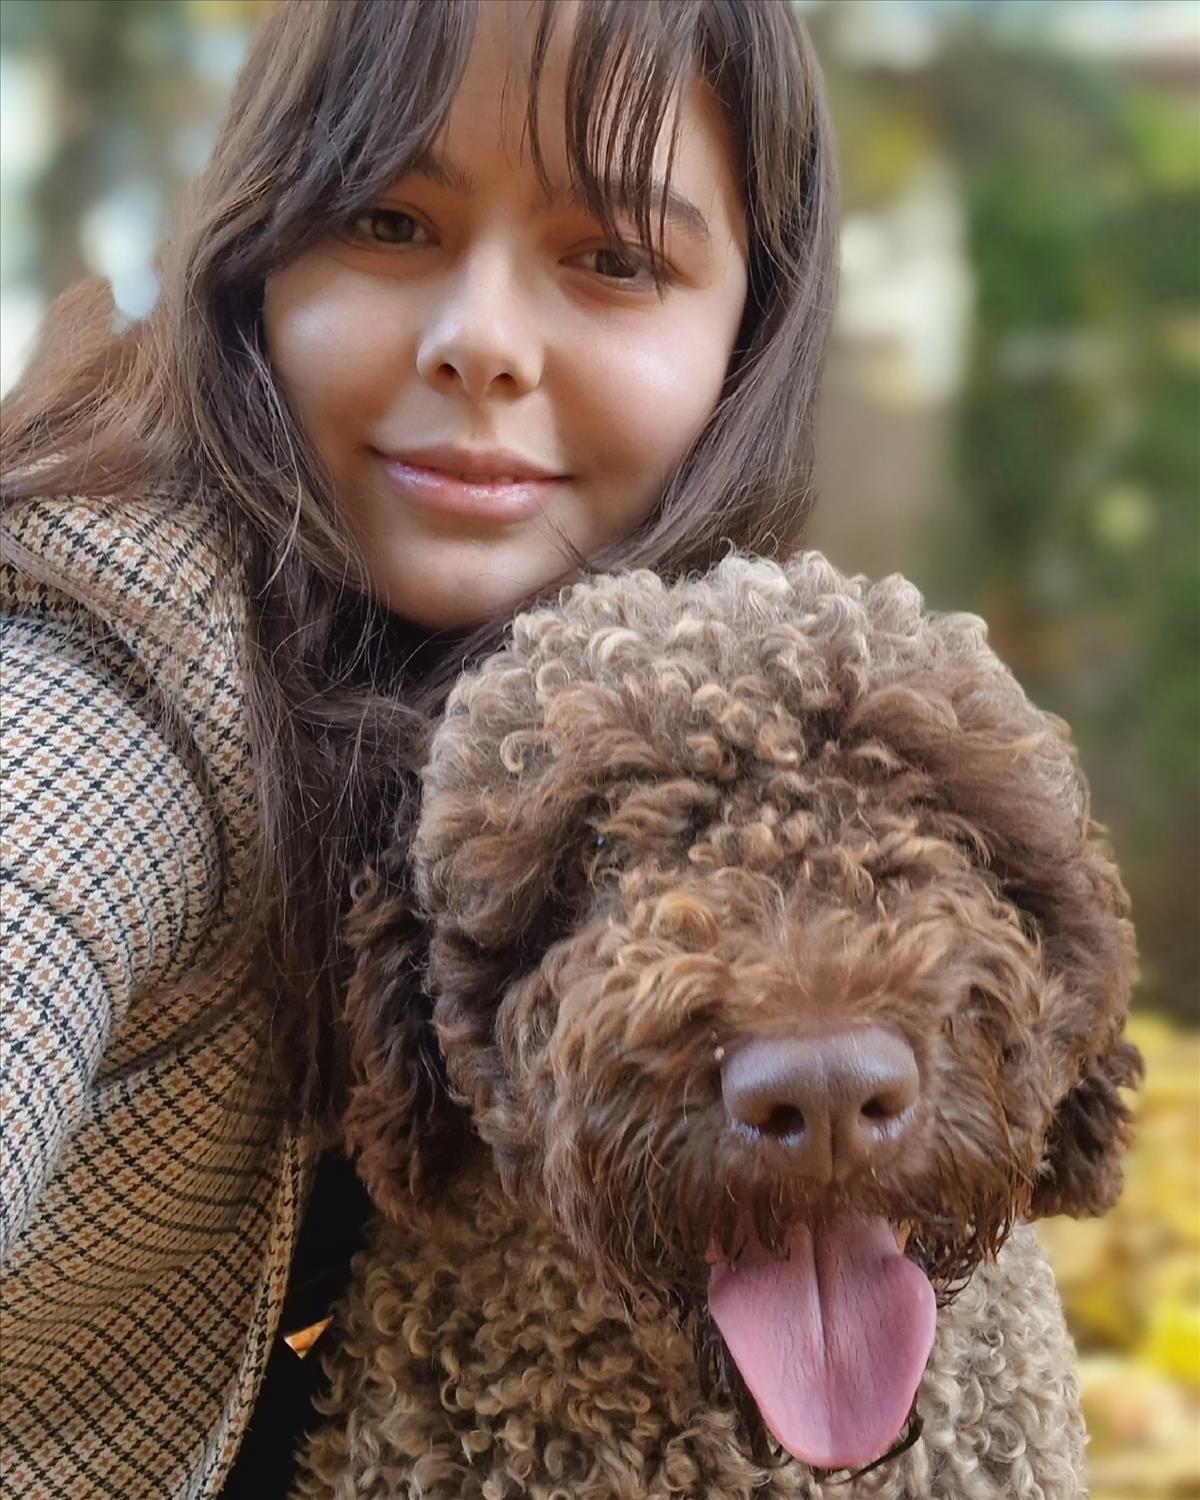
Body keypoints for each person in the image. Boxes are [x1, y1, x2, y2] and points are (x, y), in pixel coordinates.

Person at [0, 1, 839, 1495]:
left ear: (750, 331)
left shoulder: (680, 735)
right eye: (387, 220)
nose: (483, 345)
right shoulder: (114, 680)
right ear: (255, 250)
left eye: (614, 258)